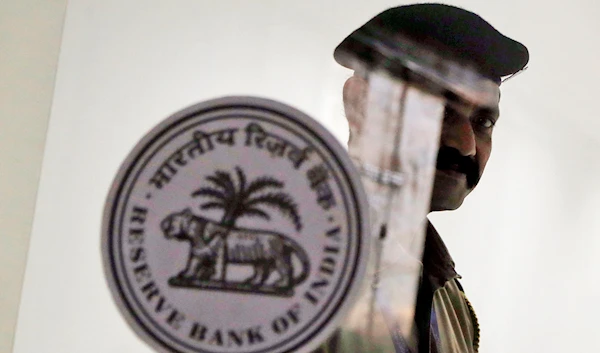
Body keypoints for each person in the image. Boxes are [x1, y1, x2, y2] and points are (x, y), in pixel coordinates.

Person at [315, 3, 529, 353]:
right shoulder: (286, 259)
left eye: (483, 123)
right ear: (360, 104)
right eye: (440, 111)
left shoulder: (449, 298)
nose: (466, 146)